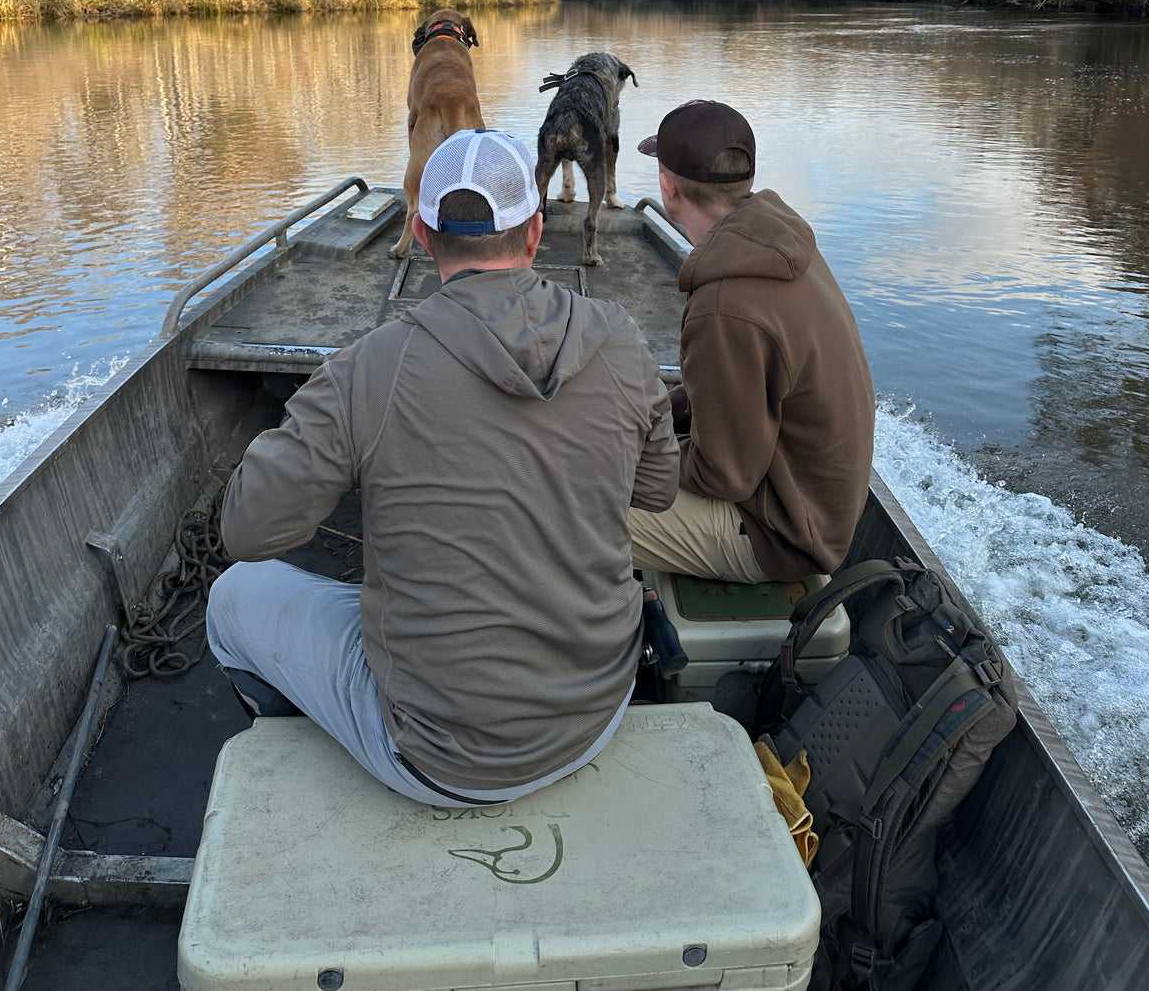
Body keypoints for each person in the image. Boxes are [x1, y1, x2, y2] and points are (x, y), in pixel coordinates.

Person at [206, 128, 678, 808]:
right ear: (537, 231)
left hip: (441, 760)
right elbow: (658, 490)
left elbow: (246, 532)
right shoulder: (623, 340)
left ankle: (314, 764)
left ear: (423, 235)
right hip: (598, 712)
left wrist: (306, 423)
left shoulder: (367, 367)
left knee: (231, 599)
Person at [628, 100, 875, 585]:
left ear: (667, 187)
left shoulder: (725, 305)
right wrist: (650, 416)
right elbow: (725, 396)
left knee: (561, 511)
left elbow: (724, 476)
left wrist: (629, 453)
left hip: (782, 537)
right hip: (814, 506)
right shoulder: (777, 242)